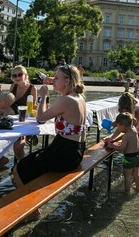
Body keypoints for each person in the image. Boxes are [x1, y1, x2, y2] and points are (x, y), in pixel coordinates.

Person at [12, 64, 86, 219]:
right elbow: (50, 113)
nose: (53, 80)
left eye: (57, 78)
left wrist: (42, 96)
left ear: (67, 81)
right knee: (31, 164)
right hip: (75, 151)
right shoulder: (79, 98)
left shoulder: (65, 100)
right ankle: (32, 203)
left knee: (18, 169)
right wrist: (51, 84)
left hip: (64, 154)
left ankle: (32, 211)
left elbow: (40, 118)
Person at [108, 92, 139, 176]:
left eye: (125, 109)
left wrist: (119, 140)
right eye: (122, 109)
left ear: (129, 106)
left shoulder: (138, 110)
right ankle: (135, 169)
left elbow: (129, 129)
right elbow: (121, 125)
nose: (123, 111)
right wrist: (112, 138)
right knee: (134, 144)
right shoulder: (127, 108)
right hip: (138, 122)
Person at [5, 65, 38, 163]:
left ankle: (21, 164)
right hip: (12, 120)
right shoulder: (13, 86)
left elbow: (34, 109)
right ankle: (3, 162)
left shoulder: (32, 89)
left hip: (24, 121)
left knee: (18, 147)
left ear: (26, 75)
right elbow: (8, 102)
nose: (17, 78)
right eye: (14, 76)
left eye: (20, 74)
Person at [106, 112, 139, 193]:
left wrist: (112, 146)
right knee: (136, 175)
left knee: (127, 176)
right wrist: (115, 140)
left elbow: (121, 148)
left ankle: (126, 192)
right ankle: (138, 189)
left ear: (123, 125)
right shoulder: (134, 130)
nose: (118, 128)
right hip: (137, 157)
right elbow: (126, 139)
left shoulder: (126, 136)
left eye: (118, 126)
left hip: (129, 158)